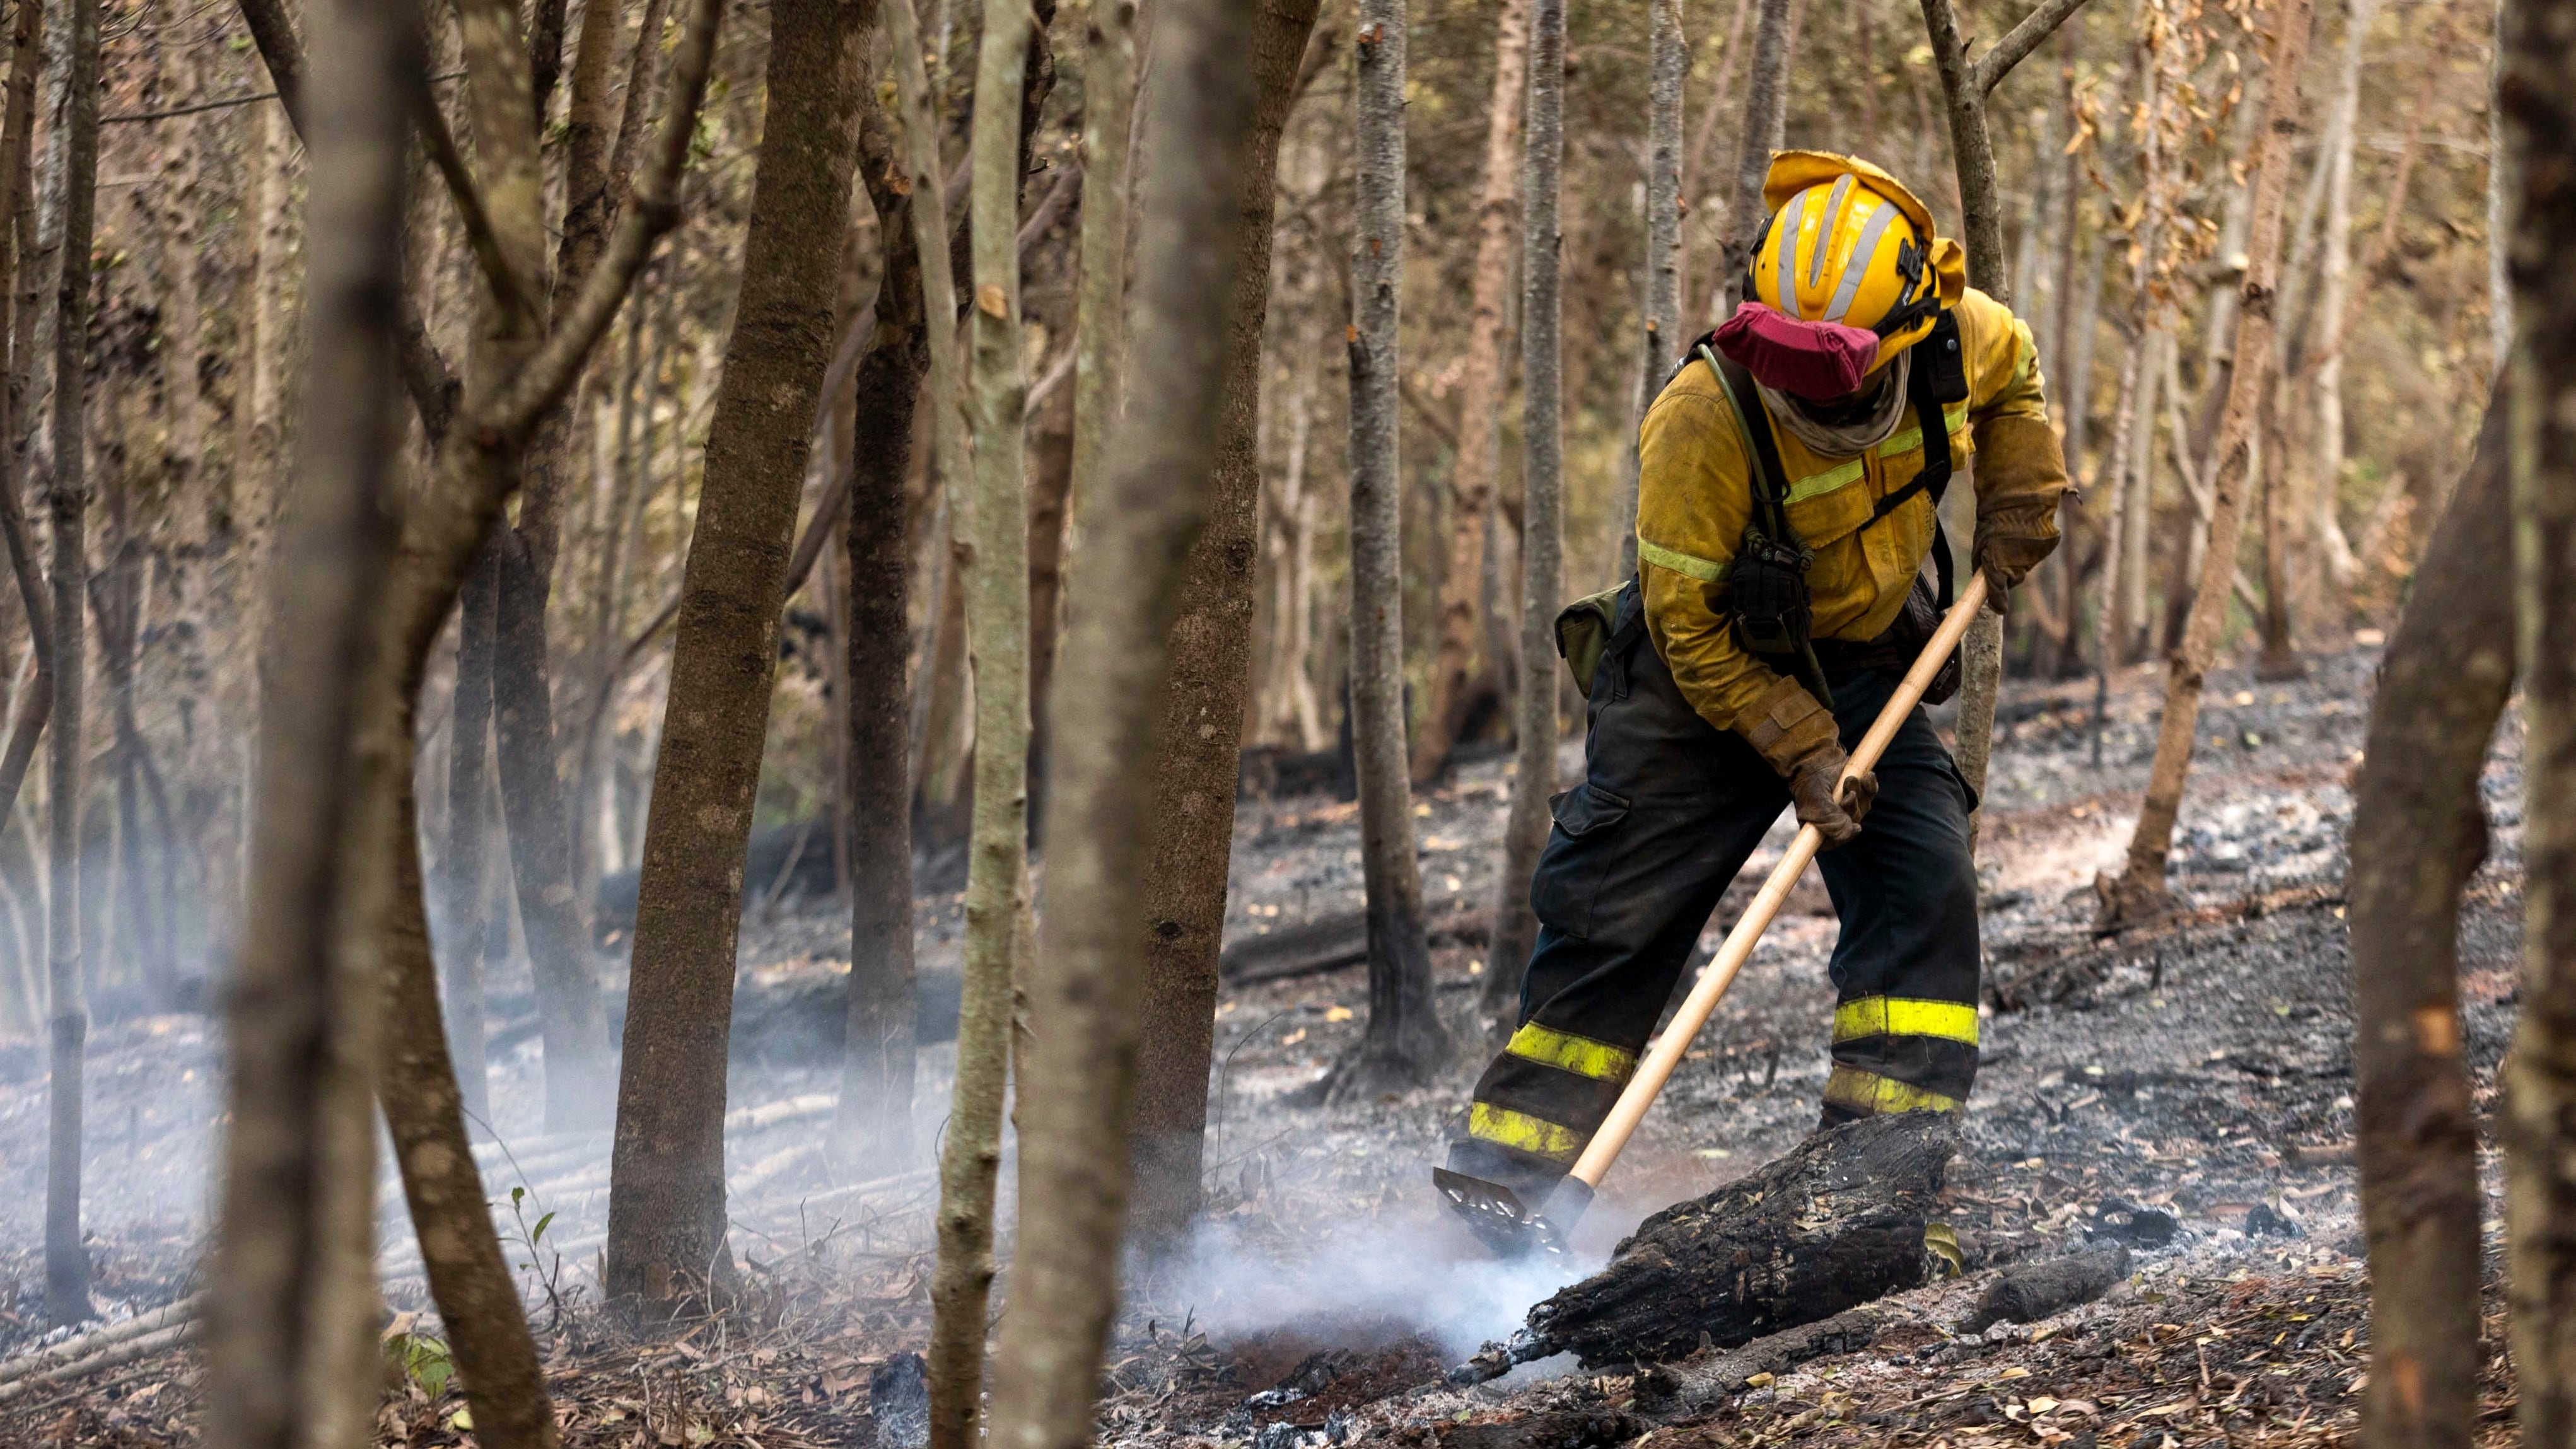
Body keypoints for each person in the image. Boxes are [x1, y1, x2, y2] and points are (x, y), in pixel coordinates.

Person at [1446, 152, 2069, 1205]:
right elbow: (1688, 627)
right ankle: (1505, 1188)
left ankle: (1874, 1193)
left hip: (1866, 659)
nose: (1800, 394)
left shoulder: (1963, 336)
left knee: (1926, 890)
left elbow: (2015, 384)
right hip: (1703, 689)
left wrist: (2020, 486)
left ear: (1911, 329)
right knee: (1611, 923)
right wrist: (1801, 749)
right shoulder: (1700, 417)